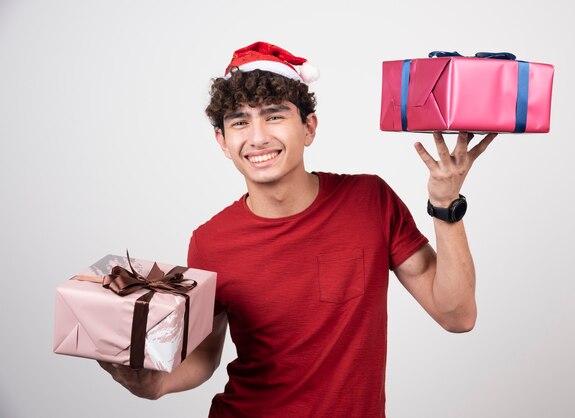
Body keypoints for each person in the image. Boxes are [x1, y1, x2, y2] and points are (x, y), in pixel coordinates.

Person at [100, 41, 496, 417]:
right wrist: (152, 384)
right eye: (240, 122)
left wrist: (446, 205)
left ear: (308, 127)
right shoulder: (209, 242)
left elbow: (456, 315)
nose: (258, 137)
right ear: (222, 140)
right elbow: (205, 355)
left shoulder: (370, 200)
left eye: (274, 115)